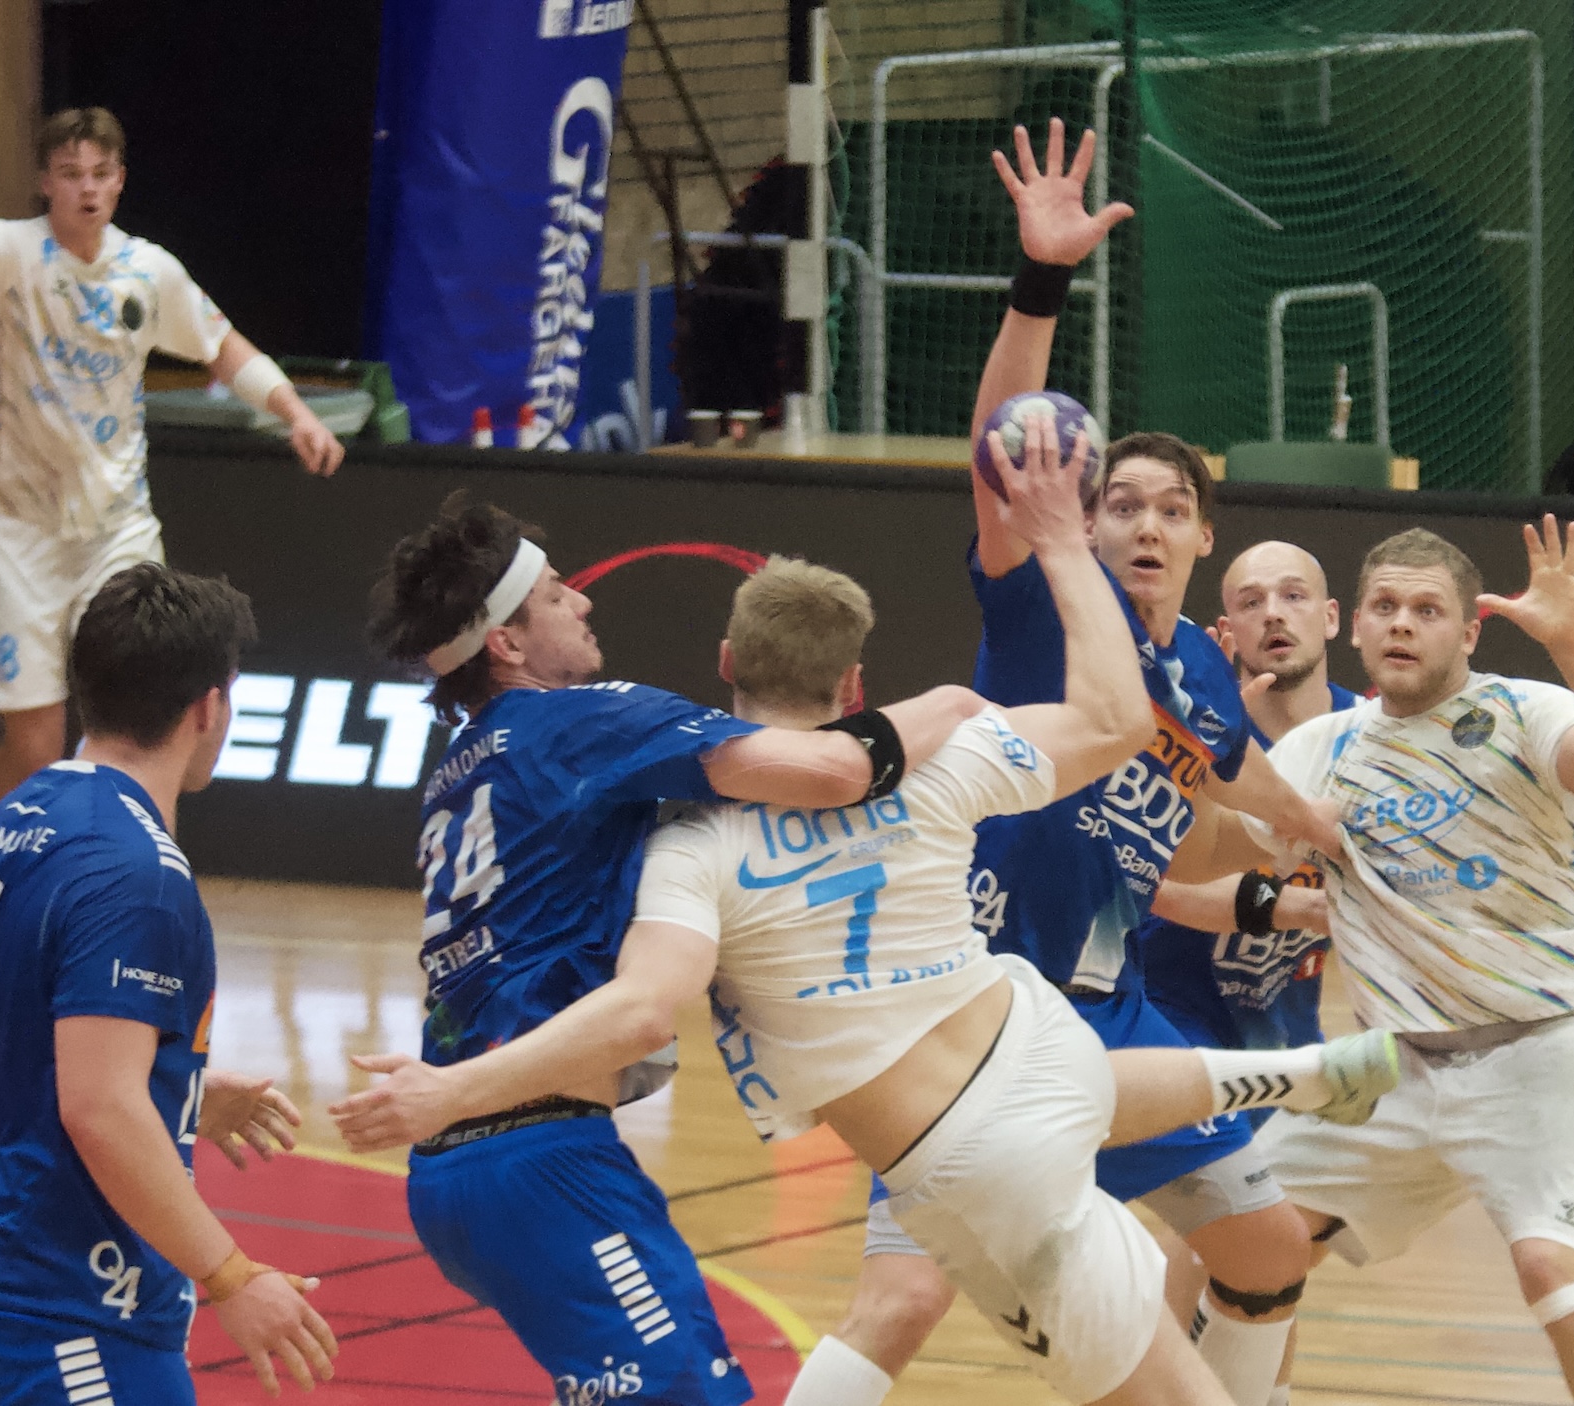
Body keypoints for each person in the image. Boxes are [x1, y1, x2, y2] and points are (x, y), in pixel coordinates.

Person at [332, 414, 1395, 1406]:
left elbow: (656, 979)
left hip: (954, 1138)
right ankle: (1298, 1074)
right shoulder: (922, 762)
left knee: (1031, 1158)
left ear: (726, 666)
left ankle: (1303, 1074)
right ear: (854, 681)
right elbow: (1079, 726)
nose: (585, 601)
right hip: (987, 1091)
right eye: (560, 594)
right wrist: (1021, 597)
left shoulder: (652, 835)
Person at [807, 120, 1350, 1406]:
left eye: (1173, 508)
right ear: (1081, 517)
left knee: (1269, 1251)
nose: (1146, 523)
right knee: (904, 1297)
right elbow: (1002, 442)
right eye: (1122, 503)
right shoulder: (1045, 607)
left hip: (1111, 1012)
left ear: (1203, 539)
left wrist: (1329, 832)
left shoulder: (1204, 669)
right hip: (974, 1011)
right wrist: (1041, 279)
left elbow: (1236, 776)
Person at [322, 490, 987, 1406]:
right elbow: (832, 772)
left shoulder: (458, 769)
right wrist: (956, 702)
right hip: (536, 1155)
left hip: (460, 1173)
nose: (584, 600)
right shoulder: (580, 721)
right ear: (506, 644)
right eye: (556, 595)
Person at [1254, 521, 1574, 1406]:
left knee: (1551, 1267)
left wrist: (1572, 644)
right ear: (1356, 627)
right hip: (1395, 1065)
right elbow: (1199, 868)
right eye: (1385, 607)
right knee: (1249, 1240)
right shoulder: (1316, 751)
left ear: (1469, 632)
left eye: (1427, 610)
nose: (1403, 624)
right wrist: (1216, 762)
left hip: (1548, 1043)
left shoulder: (1526, 713)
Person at [0, 562, 337, 1403]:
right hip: (63, 1312)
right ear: (209, 708)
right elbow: (99, 1108)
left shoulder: (7, 822)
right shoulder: (138, 870)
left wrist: (175, 1097)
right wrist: (230, 1276)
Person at [0, 43, 347, 801]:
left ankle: (126, 850)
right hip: (15, 528)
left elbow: (222, 345)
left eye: (100, 173)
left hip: (115, 530)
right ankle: (8, 847)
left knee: (143, 717)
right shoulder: (8, 255)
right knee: (36, 741)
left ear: (120, 181)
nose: (87, 188)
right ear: (45, 182)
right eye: (70, 173)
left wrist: (295, 412)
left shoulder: (149, 269)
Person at [1133, 543, 1359, 1385]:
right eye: (1252, 600)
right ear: (1224, 629)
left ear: (1330, 619)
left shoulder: (1370, 737)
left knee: (1273, 1256)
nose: (1274, 614)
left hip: (1283, 1030)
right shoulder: (1196, 730)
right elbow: (1155, 882)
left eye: (1294, 596)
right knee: (1234, 1242)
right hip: (1171, 1016)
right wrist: (1286, 905)